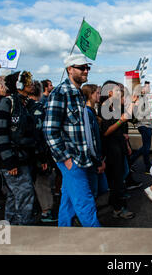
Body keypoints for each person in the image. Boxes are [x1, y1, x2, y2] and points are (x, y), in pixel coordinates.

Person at [44, 54, 101, 227]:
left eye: (87, 68)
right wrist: (66, 159)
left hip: (83, 157)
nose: (86, 71)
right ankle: (99, 243)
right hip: (72, 158)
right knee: (85, 202)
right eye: (81, 67)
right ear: (69, 69)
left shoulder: (78, 94)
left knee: (68, 202)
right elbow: (49, 130)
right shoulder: (60, 93)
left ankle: (64, 235)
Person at [0, 71, 45, 225]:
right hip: (13, 160)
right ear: (19, 85)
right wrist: (10, 161)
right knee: (25, 194)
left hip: (24, 158)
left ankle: (12, 228)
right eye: (27, 81)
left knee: (13, 196)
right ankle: (23, 230)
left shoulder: (26, 104)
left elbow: (34, 134)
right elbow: (0, 134)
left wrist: (41, 156)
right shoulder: (7, 103)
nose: (32, 84)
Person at [99, 80, 136, 219]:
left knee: (120, 178)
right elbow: (106, 131)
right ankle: (118, 208)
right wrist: (123, 119)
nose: (119, 93)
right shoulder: (105, 107)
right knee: (116, 180)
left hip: (119, 146)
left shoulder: (114, 106)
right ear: (109, 92)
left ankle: (116, 204)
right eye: (117, 91)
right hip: (111, 148)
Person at [28, 80, 57, 223]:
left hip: (23, 152)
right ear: (40, 92)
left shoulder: (21, 107)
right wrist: (44, 157)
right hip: (38, 152)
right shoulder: (40, 109)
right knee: (42, 182)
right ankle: (45, 211)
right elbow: (42, 134)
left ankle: (30, 208)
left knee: (28, 182)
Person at [81, 84, 108, 199]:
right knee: (93, 191)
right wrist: (98, 160)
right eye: (97, 93)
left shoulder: (92, 111)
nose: (99, 95)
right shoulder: (87, 113)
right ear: (90, 95)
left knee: (101, 188)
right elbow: (91, 139)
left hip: (97, 156)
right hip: (94, 158)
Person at [130, 82, 152, 172]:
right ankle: (147, 166)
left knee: (145, 147)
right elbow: (138, 115)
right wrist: (149, 109)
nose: (148, 89)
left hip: (146, 125)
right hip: (143, 125)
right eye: (146, 87)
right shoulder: (139, 100)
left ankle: (134, 161)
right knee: (146, 148)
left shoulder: (144, 99)